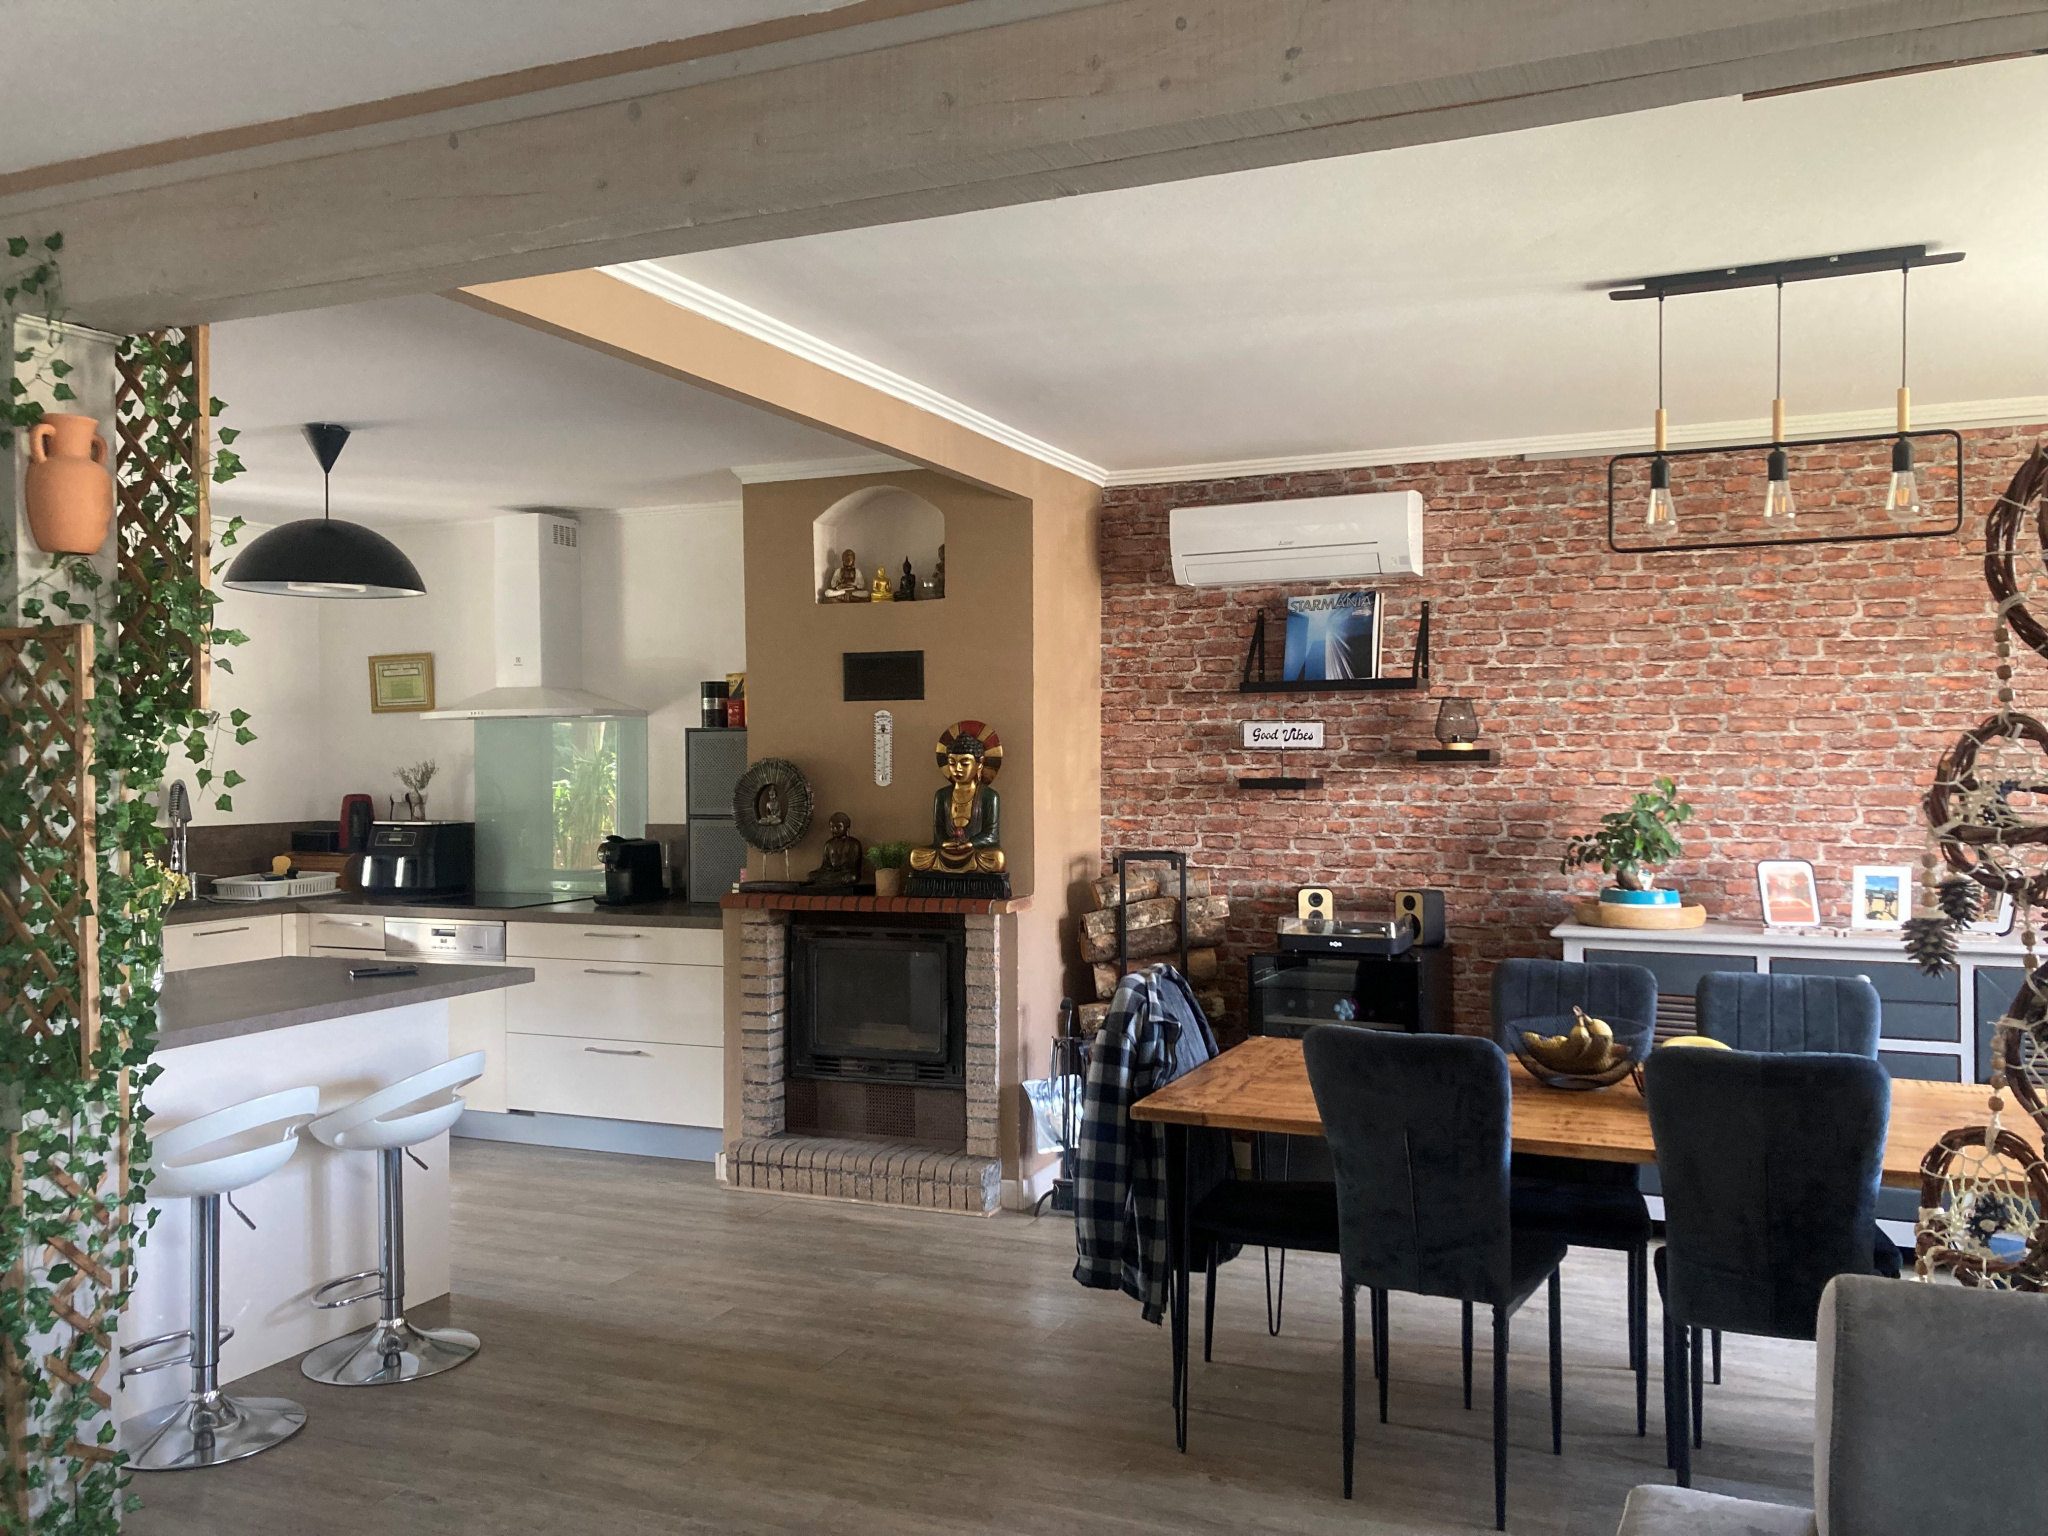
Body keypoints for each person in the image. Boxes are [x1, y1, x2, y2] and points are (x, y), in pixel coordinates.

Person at [907, 732, 1005, 875]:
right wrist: (945, 843)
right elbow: (939, 832)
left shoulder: (989, 796)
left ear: (980, 763)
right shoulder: (941, 795)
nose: (957, 769)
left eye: (964, 763)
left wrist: (970, 843)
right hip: (948, 850)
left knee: (997, 859)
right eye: (952, 763)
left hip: (974, 851)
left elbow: (991, 835)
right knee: (917, 856)